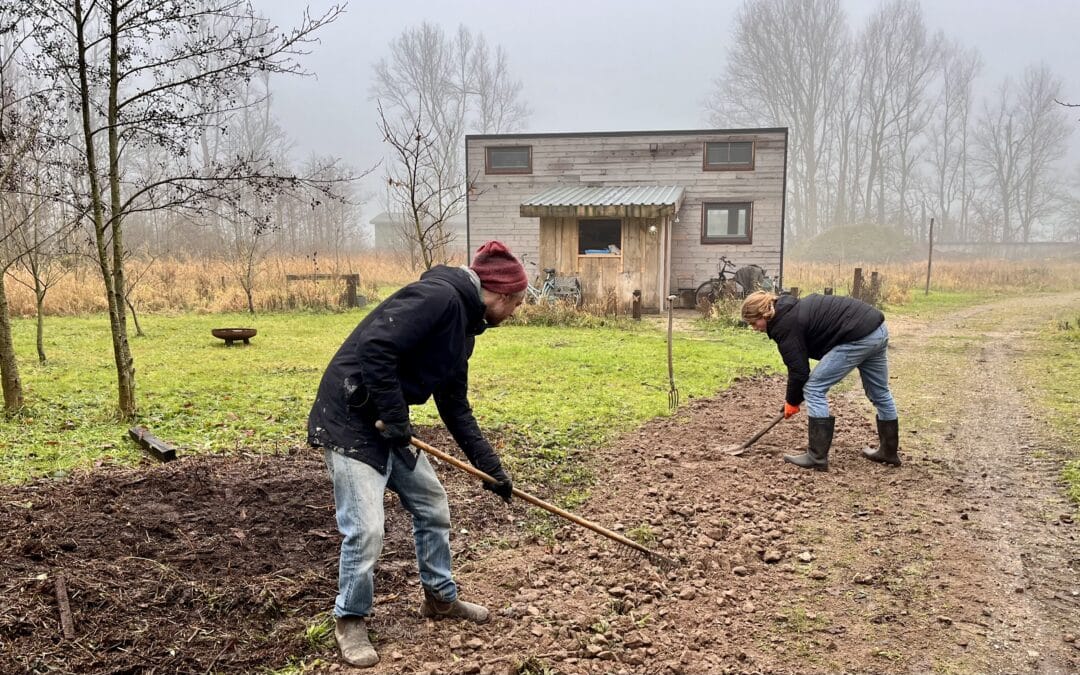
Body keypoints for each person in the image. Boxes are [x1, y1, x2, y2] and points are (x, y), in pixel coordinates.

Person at [307, 240, 528, 668]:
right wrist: (394, 415)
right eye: (517, 304)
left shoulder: (463, 328)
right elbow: (375, 347)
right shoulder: (439, 297)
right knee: (367, 529)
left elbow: (454, 405)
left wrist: (489, 467)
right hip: (352, 418)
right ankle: (350, 619)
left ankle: (440, 599)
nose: (516, 313)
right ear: (501, 295)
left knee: (432, 504)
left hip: (387, 423)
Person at [740, 290, 900, 472]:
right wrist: (792, 400)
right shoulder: (789, 308)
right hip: (877, 330)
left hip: (857, 338)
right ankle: (888, 452)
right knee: (880, 392)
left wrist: (792, 402)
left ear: (764, 314)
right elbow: (800, 362)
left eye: (754, 322)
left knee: (814, 388)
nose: (755, 328)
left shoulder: (784, 324)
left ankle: (816, 457)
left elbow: (799, 372)